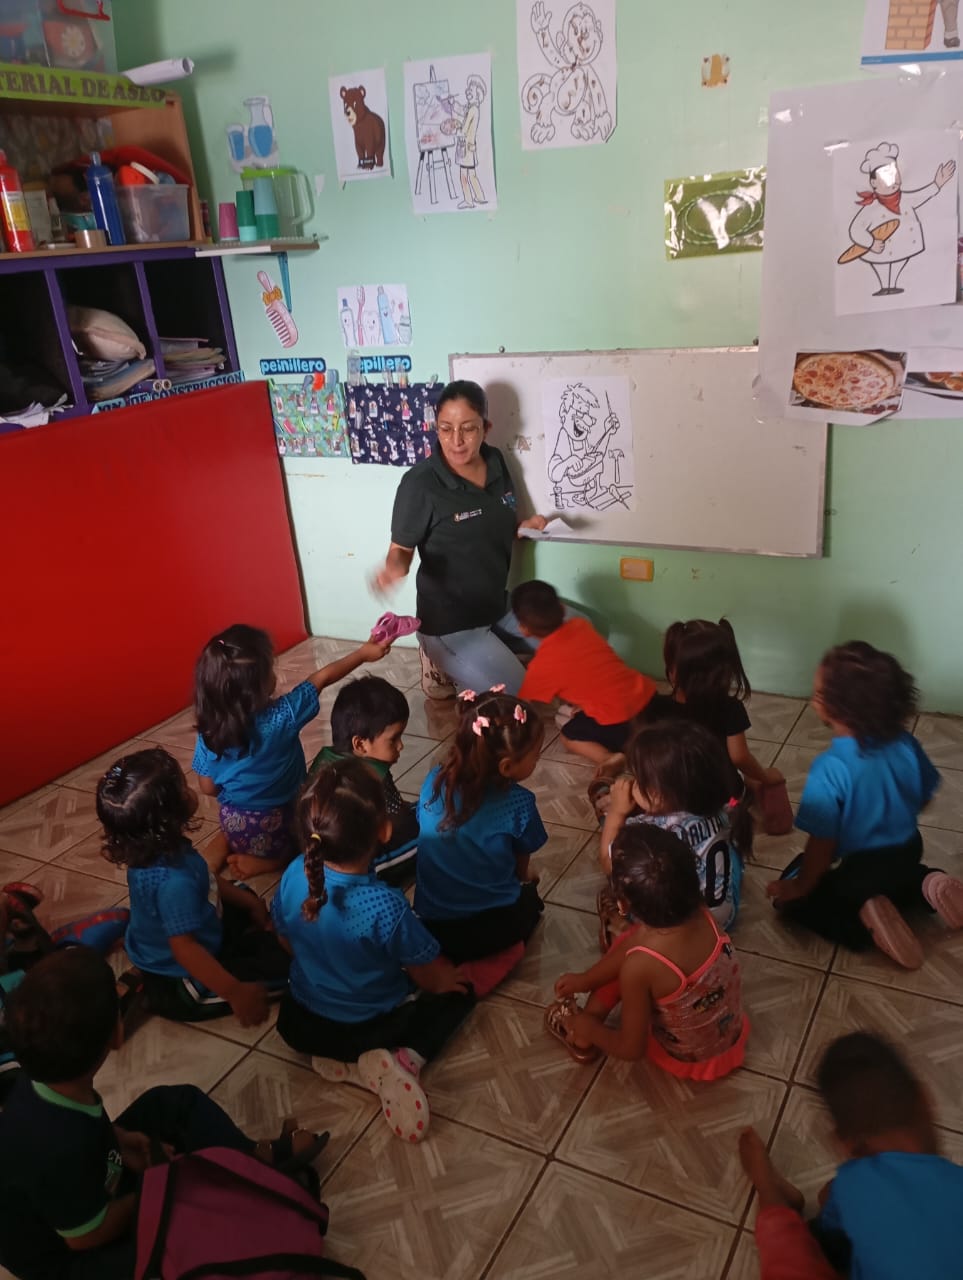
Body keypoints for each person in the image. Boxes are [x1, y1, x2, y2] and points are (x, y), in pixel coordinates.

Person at [0, 948, 325, 1280]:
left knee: (174, 1103)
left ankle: (249, 1162)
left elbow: (85, 1126)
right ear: (117, 1034)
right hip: (72, 1257)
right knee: (181, 1228)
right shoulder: (61, 1146)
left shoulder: (43, 1075)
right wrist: (156, 1187)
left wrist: (118, 1139)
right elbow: (86, 1237)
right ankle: (243, 1204)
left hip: (83, 1186)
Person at [273, 759, 474, 1143]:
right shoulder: (385, 905)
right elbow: (426, 974)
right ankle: (404, 1060)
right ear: (384, 830)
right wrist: (445, 980)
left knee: (290, 1017)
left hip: (305, 1025)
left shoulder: (292, 874)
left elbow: (285, 939)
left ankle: (351, 1067)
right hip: (375, 1025)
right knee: (459, 996)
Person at [768, 641, 963, 968]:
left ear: (841, 709)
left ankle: (865, 921)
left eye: (818, 695)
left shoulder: (830, 769)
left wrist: (800, 885)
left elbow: (822, 845)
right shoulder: (905, 742)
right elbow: (925, 795)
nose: (812, 700)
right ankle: (928, 883)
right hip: (908, 846)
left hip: (861, 865)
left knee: (797, 898)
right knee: (898, 876)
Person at [373, 379, 550, 699]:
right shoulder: (420, 484)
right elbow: (400, 550)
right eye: (445, 429)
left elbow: (493, 519)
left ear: (486, 428)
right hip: (450, 625)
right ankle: (438, 657)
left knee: (578, 634)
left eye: (468, 429)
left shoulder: (496, 462)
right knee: (520, 695)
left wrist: (523, 526)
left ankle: (492, 657)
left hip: (497, 606)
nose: (456, 441)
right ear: (436, 428)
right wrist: (393, 569)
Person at [740, 1031, 963, 1280]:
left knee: (788, 1249)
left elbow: (830, 1223)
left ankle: (768, 1189)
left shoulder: (851, 1185)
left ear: (845, 1144)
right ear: (926, 1099)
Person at [97, 748, 289, 1027]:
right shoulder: (174, 883)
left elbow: (205, 879)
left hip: (189, 930)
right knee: (287, 972)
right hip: (180, 977)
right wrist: (235, 992)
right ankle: (147, 985)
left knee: (240, 892)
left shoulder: (157, 850)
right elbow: (185, 950)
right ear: (169, 817)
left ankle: (141, 972)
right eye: (183, 787)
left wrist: (250, 903)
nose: (189, 789)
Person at [546, 824, 748, 1078]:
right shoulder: (700, 909)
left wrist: (590, 1029)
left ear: (622, 904)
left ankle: (581, 1035)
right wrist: (586, 980)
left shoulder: (640, 966)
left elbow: (632, 1049)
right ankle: (588, 1011)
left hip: (688, 1058)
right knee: (630, 943)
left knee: (629, 965)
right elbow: (636, 941)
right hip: (729, 1032)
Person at [192, 622, 389, 878]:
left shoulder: (209, 730)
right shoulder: (284, 716)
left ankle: (224, 847)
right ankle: (271, 862)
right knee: (315, 831)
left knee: (243, 820)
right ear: (258, 687)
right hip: (279, 826)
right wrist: (363, 654)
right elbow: (321, 678)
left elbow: (208, 787)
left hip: (235, 822)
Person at [414, 688, 548, 963]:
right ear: (506, 767)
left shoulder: (434, 781)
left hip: (430, 923)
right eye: (536, 755)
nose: (538, 759)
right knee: (531, 902)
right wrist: (525, 878)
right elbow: (521, 871)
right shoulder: (519, 803)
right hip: (488, 928)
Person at [599, 719, 753, 936]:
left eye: (639, 780)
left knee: (613, 834)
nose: (632, 783)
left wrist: (616, 812)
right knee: (729, 849)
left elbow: (608, 864)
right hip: (722, 920)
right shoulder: (724, 808)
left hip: (671, 927)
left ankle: (624, 927)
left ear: (658, 795)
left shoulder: (642, 830)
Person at [512, 579, 657, 764]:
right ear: (562, 608)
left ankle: (608, 757)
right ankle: (645, 734)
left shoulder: (541, 667)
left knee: (568, 734)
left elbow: (522, 708)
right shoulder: (581, 625)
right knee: (565, 712)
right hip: (646, 697)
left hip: (617, 720)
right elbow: (593, 672)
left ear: (523, 629)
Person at [639, 617, 785, 796]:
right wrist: (766, 777)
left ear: (672, 671)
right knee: (748, 781)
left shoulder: (655, 707)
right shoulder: (730, 708)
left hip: (676, 798)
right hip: (724, 796)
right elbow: (740, 757)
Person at [309, 675, 418, 884]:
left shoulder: (326, 758)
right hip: (361, 865)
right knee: (431, 833)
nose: (401, 746)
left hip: (321, 852)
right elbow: (399, 818)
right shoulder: (373, 775)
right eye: (394, 739)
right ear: (360, 744)